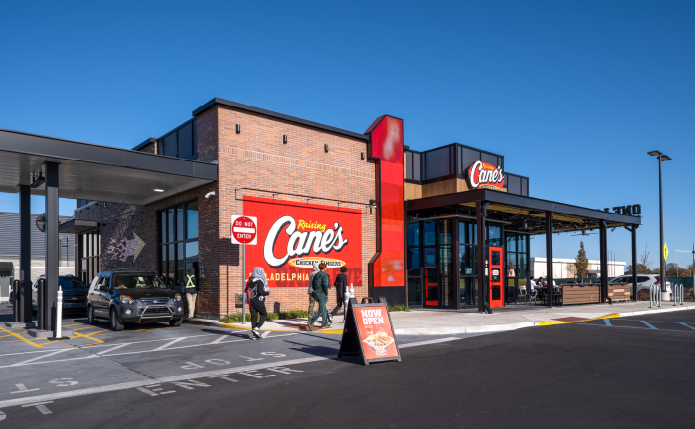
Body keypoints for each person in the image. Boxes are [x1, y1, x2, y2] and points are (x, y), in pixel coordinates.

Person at [246, 267, 270, 339]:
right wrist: (267, 293)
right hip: (258, 301)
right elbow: (260, 292)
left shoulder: (250, 280)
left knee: (254, 317)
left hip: (251, 301)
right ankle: (257, 328)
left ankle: (254, 335)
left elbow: (245, 290)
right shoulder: (260, 281)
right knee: (264, 314)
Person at [307, 262, 330, 330]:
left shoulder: (316, 274)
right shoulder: (325, 275)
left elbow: (313, 284)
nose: (327, 268)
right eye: (326, 267)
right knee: (321, 309)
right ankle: (311, 322)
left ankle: (324, 323)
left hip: (316, 292)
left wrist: (315, 291)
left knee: (324, 307)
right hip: (321, 292)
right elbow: (325, 285)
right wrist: (326, 294)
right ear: (324, 268)